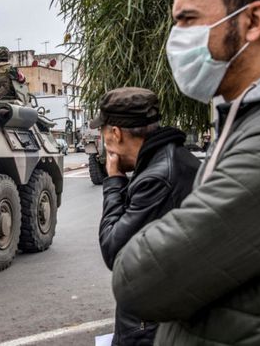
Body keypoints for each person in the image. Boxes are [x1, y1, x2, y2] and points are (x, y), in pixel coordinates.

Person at [112, 0, 260, 345]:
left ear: (252, 21)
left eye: (188, 19)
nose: (175, 37)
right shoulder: (247, 116)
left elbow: (141, 278)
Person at [90, 87, 199, 346]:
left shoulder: (157, 178)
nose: (104, 142)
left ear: (115, 133)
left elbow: (114, 251)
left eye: (103, 133)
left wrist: (114, 181)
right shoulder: (171, 158)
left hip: (151, 325)